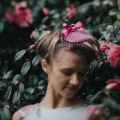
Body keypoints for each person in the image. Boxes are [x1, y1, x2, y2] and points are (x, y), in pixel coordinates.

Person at [12, 21, 100, 120]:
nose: (75, 81)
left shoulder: (96, 115)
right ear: (45, 66)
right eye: (67, 72)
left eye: (82, 74)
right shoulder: (23, 116)